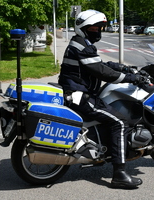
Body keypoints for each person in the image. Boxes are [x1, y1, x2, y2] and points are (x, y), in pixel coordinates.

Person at [58, 10, 144, 189]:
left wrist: (124, 68)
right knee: (120, 122)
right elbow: (102, 72)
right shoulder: (82, 45)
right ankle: (119, 174)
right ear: (84, 28)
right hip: (80, 97)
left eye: (100, 28)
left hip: (78, 94)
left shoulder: (81, 43)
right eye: (95, 28)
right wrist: (131, 78)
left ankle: (103, 151)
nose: (99, 31)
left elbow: (100, 64)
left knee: (109, 116)